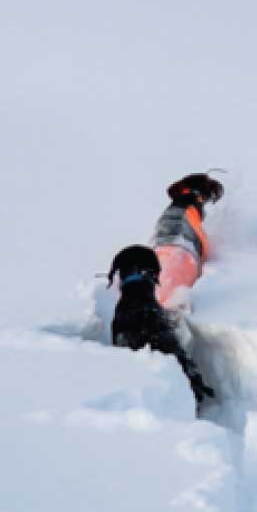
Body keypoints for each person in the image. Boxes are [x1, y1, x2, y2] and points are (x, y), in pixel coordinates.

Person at [105, 174, 225, 407]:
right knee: (165, 317)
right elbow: (201, 247)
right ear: (199, 196)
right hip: (178, 260)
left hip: (158, 259)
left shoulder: (170, 214)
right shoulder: (189, 214)